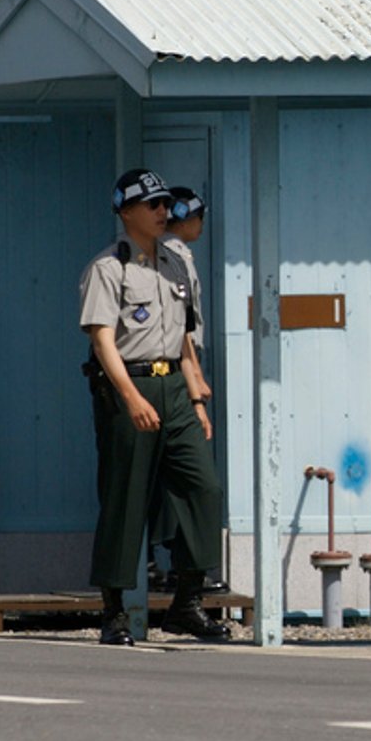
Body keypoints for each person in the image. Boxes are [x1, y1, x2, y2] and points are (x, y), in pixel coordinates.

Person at [79, 168, 228, 645]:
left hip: (175, 390)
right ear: (126, 213)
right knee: (125, 499)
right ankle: (114, 613)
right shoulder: (109, 267)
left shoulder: (176, 263)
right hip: (130, 387)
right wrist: (131, 397)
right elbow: (102, 340)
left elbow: (183, 337)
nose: (165, 212)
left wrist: (197, 398)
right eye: (153, 205)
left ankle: (187, 603)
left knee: (202, 489)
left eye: (166, 203)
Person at [148, 187, 216, 590]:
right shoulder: (174, 256)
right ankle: (173, 562)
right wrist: (193, 377)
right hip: (175, 370)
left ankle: (164, 561)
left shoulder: (168, 253)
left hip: (179, 365)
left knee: (163, 471)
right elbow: (183, 325)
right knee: (177, 472)